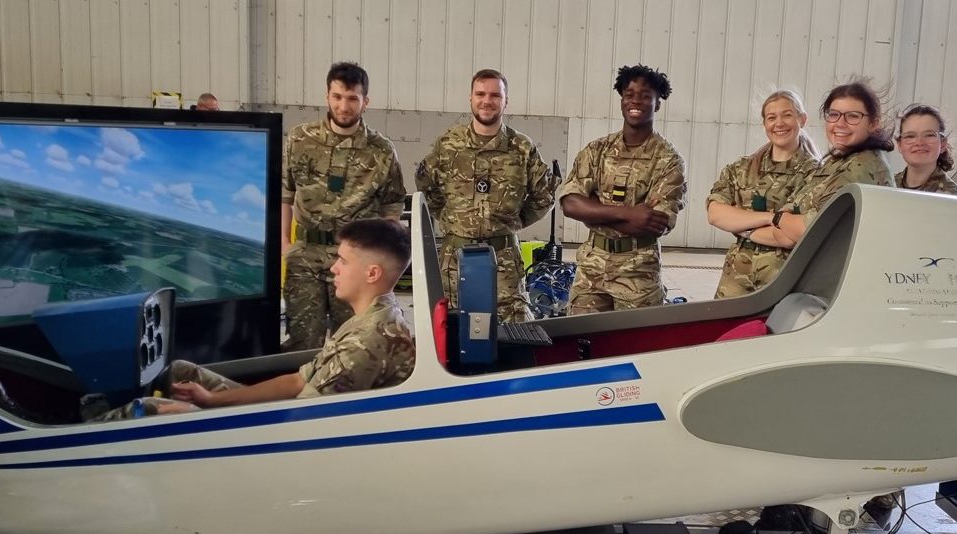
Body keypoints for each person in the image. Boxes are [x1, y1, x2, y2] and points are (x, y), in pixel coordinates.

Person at [94, 219, 415, 420]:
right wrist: (211, 400)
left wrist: (194, 413)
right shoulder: (370, 316)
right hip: (292, 412)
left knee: (150, 409)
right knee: (181, 371)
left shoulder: (367, 342)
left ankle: (86, 431)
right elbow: (297, 382)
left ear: (372, 273)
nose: (333, 268)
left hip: (289, 434)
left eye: (343, 261)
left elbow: (299, 421)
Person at [280, 62, 407, 350]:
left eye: (352, 98)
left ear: (365, 101)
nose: (343, 106)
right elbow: (285, 194)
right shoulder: (300, 139)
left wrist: (380, 259)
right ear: (327, 96)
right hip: (306, 255)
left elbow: (392, 207)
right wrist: (285, 245)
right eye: (337, 97)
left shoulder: (381, 150)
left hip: (356, 259)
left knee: (353, 341)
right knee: (302, 342)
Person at [417, 69, 554, 322]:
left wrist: (515, 222)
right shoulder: (448, 144)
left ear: (505, 101)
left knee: (513, 331)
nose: (487, 101)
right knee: (454, 328)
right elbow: (427, 186)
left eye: (495, 95)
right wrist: (450, 218)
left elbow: (544, 195)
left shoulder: (521, 148)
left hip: (504, 261)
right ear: (470, 98)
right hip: (455, 261)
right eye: (480, 94)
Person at [556, 65, 686, 314]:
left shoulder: (668, 160)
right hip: (591, 271)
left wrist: (593, 210)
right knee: (582, 335)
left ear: (657, 104)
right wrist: (629, 213)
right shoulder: (597, 150)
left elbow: (654, 224)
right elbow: (570, 204)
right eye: (629, 94)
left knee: (635, 338)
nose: (635, 101)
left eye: (645, 96)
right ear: (622, 100)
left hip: (639, 274)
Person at [748, 78, 894, 249]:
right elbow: (793, 220)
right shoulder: (838, 161)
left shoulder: (862, 168)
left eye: (853, 116)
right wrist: (787, 222)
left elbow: (808, 232)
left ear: (873, 123)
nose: (840, 123)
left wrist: (775, 219)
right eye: (834, 115)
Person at [707, 90, 821, 299]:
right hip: (735, 279)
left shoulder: (816, 174)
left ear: (802, 119)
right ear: (764, 124)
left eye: (787, 115)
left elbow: (789, 237)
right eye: (771, 117)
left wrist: (740, 224)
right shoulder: (741, 168)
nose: (779, 123)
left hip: (786, 278)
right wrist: (771, 218)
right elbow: (715, 214)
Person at [894, 104, 957, 196]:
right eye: (910, 136)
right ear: (899, 145)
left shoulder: (954, 199)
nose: (919, 142)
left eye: (929, 135)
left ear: (942, 144)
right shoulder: (885, 187)